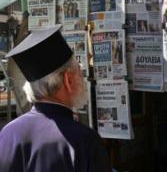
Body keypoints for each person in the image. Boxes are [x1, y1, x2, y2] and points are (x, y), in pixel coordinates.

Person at [0, 25, 112, 172]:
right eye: (79, 72)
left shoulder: (8, 133)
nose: (83, 79)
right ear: (68, 80)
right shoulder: (84, 141)